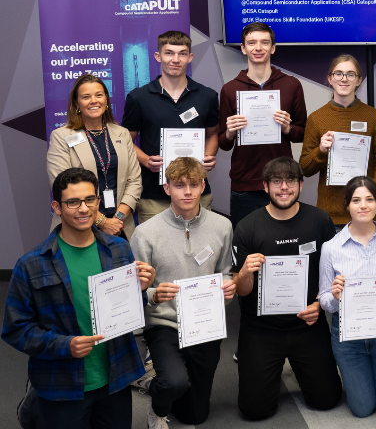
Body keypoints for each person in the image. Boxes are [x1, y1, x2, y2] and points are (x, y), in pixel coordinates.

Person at [3, 168, 155, 429]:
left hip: (116, 378)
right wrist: (65, 345)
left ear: (98, 202)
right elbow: (15, 330)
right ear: (57, 207)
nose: (83, 208)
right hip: (62, 385)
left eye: (89, 200)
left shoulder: (119, 250)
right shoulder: (31, 264)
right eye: (73, 202)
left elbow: (129, 313)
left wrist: (140, 289)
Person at [231, 157, 343, 419]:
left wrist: (318, 305)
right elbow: (242, 291)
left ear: (301, 185)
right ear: (265, 186)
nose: (284, 187)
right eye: (277, 181)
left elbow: (331, 274)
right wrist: (245, 273)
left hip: (307, 324)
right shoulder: (247, 226)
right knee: (254, 411)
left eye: (291, 180)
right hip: (261, 329)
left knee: (327, 400)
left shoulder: (320, 221)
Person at [129, 157, 235, 428]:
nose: (187, 191)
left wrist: (227, 287)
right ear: (167, 189)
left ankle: (160, 380)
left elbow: (224, 270)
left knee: (195, 416)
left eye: (193, 184)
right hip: (164, 322)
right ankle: (158, 401)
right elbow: (133, 291)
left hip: (204, 323)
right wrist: (153, 294)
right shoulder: (145, 233)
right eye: (179, 185)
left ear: (203, 187)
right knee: (174, 382)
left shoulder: (222, 226)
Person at [318, 176, 376, 417]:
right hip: (348, 333)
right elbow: (325, 299)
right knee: (362, 408)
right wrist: (335, 296)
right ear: (347, 205)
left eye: (369, 199)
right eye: (356, 200)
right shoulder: (331, 248)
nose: (363, 205)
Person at [122, 30, 219, 223]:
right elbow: (125, 140)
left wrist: (208, 157)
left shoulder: (207, 96)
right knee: (155, 252)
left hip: (196, 192)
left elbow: (213, 135)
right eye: (169, 53)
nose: (175, 59)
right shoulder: (138, 98)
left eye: (182, 53)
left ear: (190, 57)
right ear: (158, 56)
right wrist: (146, 160)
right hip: (154, 197)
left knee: (200, 248)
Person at [217, 22, 307, 227]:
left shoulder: (291, 84)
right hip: (245, 183)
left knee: (284, 241)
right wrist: (230, 132)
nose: (258, 48)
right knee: (247, 246)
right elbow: (223, 143)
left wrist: (287, 128)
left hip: (282, 182)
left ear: (273, 48)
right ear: (243, 48)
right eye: (252, 43)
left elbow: (302, 133)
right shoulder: (230, 89)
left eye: (264, 42)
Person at [299, 55, 376, 229]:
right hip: (330, 217)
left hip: (367, 213)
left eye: (351, 74)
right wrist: (320, 150)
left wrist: (372, 191)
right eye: (338, 73)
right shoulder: (316, 118)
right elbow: (304, 167)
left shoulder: (373, 116)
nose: (344, 78)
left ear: (359, 81)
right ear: (330, 79)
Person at [47, 73, 142, 238]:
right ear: (77, 103)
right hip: (78, 226)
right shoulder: (62, 136)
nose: (94, 101)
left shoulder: (122, 134)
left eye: (99, 95)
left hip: (120, 227)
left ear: (106, 100)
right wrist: (103, 222)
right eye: (86, 97)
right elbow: (62, 186)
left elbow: (134, 181)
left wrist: (117, 219)